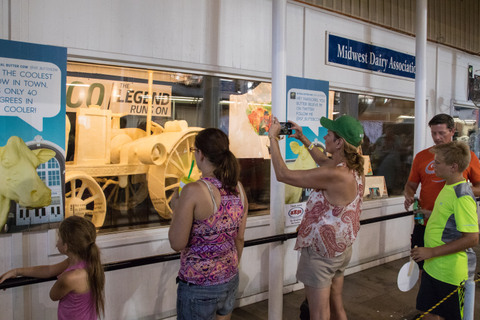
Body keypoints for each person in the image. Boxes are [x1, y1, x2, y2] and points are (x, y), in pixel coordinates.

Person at [269, 115, 365, 320]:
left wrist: (272, 139)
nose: (325, 137)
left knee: (319, 314)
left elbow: (283, 174)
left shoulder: (336, 175)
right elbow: (324, 161)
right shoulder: (354, 168)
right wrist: (303, 138)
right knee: (336, 306)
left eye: (329, 134)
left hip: (322, 254)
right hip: (340, 250)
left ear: (339, 142)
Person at [168, 128, 248, 320]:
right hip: (229, 279)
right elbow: (240, 238)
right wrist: (229, 269)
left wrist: (176, 208)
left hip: (199, 288)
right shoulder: (238, 187)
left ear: (200, 153)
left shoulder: (194, 190)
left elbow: (177, 243)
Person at [411, 141, 479, 320]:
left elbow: (472, 238)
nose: (433, 166)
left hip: (450, 274)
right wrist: (429, 213)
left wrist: (432, 251)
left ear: (453, 167)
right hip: (433, 267)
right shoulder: (448, 186)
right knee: (427, 313)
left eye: (438, 162)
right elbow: (451, 218)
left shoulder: (462, 196)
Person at [404, 113, 480, 269]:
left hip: (451, 224)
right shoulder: (422, 157)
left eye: (441, 133)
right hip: (425, 219)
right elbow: (410, 185)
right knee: (421, 265)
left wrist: (461, 191)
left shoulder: (467, 157)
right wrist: (409, 196)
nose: (437, 137)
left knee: (447, 265)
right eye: (433, 133)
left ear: (452, 131)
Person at [0, 216, 105, 320]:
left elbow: (53, 295)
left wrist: (62, 278)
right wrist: (16, 271)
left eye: (59, 237)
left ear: (66, 246)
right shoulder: (87, 262)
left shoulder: (70, 278)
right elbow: (49, 270)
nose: (57, 241)